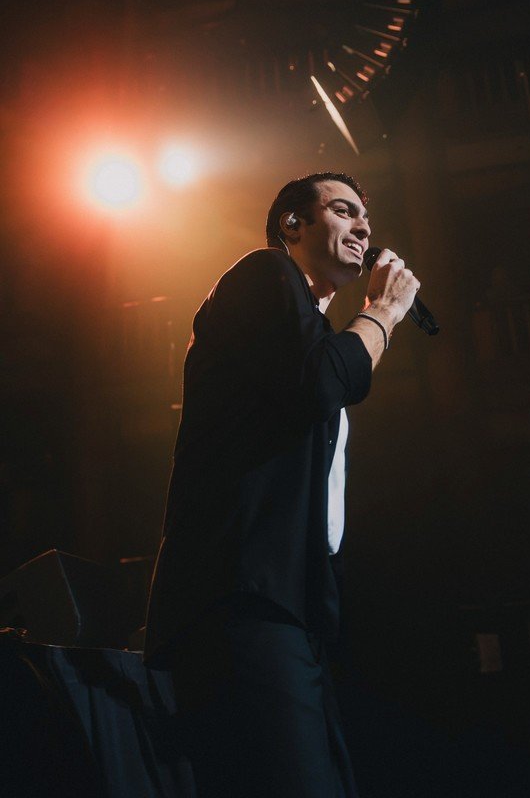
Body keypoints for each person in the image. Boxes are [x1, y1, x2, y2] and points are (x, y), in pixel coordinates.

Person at [143, 172, 420, 798]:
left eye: (366, 220)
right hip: (242, 594)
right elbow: (323, 384)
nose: (363, 229)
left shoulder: (313, 333)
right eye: (343, 211)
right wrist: (384, 311)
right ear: (293, 224)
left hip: (288, 602)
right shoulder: (264, 274)